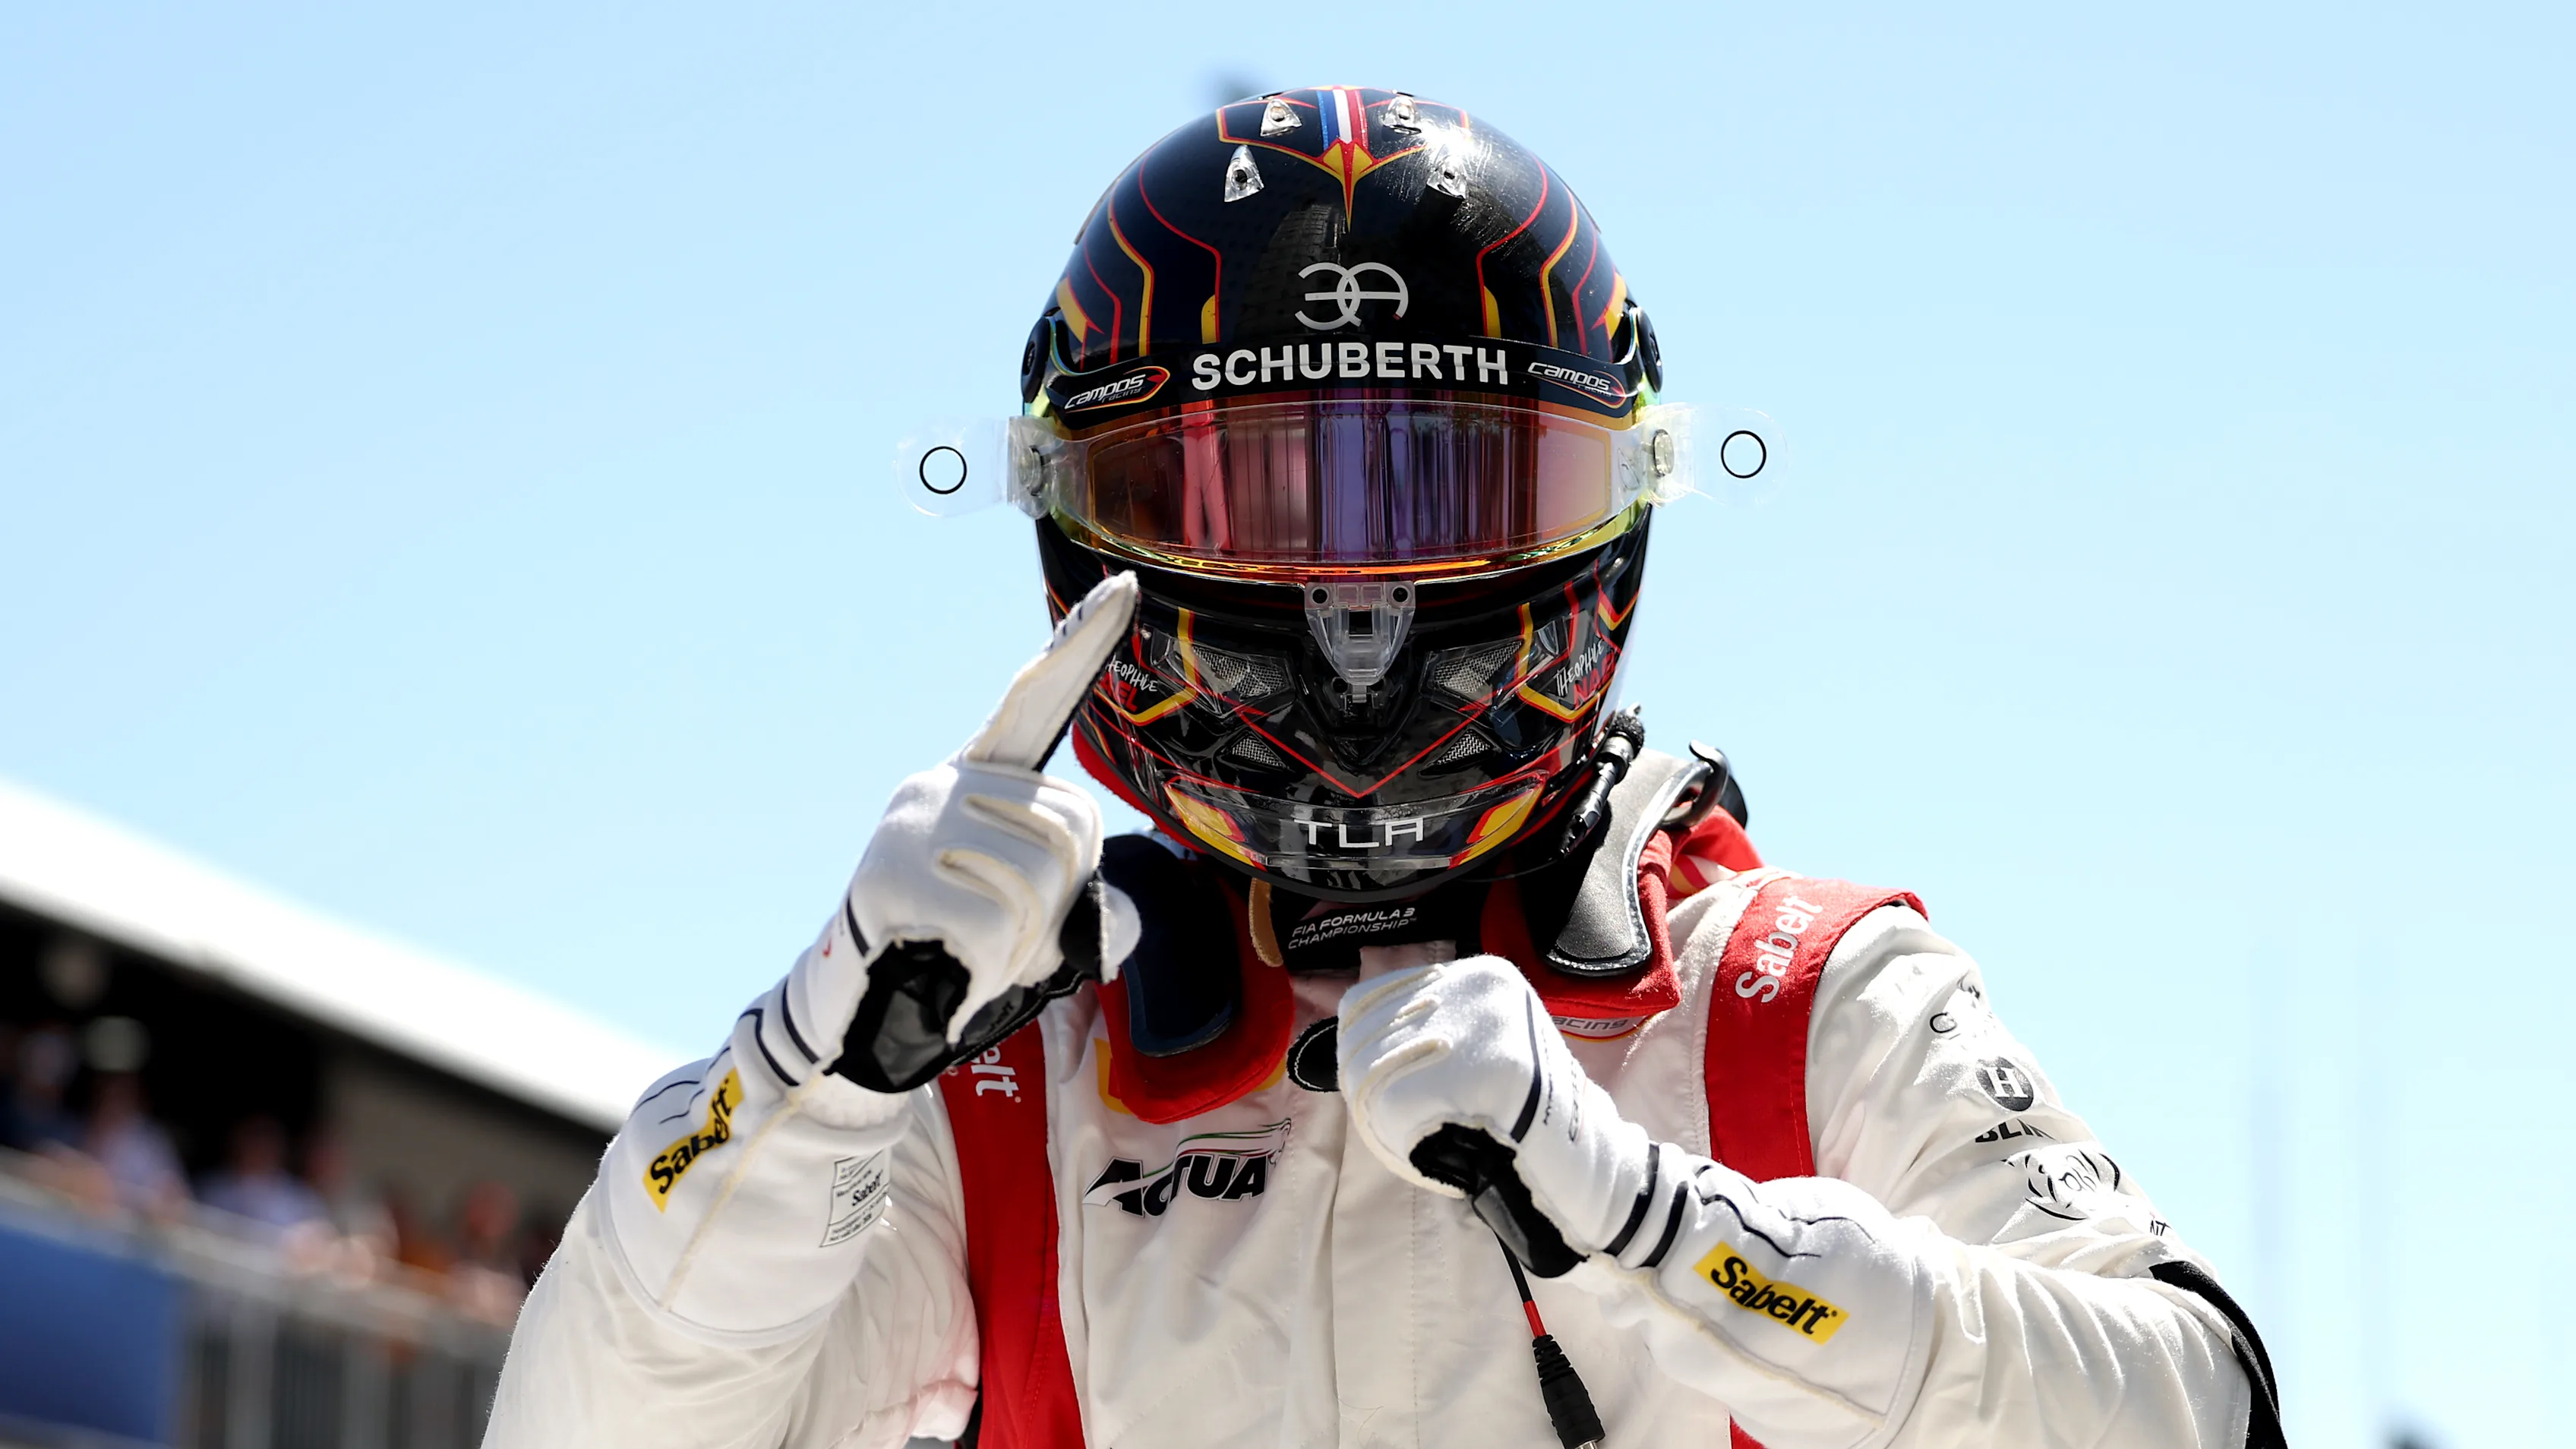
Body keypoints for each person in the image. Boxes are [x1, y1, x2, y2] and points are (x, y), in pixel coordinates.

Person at [487, 89, 2280, 1449]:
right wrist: (809, 1071)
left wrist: (1656, 1227)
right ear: (1096, 530)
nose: (1355, 609)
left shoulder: (1797, 999)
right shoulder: (991, 1083)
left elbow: (2197, 1403)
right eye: (1258, 498)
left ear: (1598, 518)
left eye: (1438, 490)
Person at [200, 1115, 330, 1234]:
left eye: (266, 1141)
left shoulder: (302, 1199)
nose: (260, 1148)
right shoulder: (214, 1191)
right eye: (254, 1140)